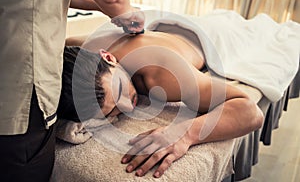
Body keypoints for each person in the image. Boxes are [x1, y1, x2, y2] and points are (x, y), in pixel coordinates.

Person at [59, 28, 264, 178]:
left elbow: (250, 112)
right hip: (161, 30)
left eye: (120, 88)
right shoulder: (74, 48)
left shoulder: (161, 75)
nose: (128, 107)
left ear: (108, 57)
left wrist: (185, 134)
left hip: (208, 36)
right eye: (111, 111)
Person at [0, 0, 144, 181]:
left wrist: (99, 5)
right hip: (19, 79)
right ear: (108, 57)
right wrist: (128, 14)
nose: (128, 108)